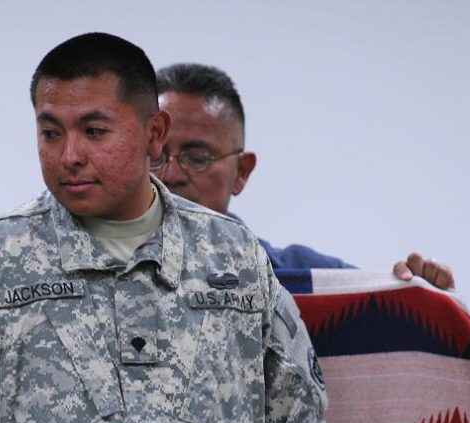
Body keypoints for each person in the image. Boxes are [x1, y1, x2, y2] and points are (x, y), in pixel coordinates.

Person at [0, 33, 334, 423]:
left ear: (154, 133)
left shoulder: (237, 258)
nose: (69, 155)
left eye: (94, 131)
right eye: (50, 133)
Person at [154, 63, 455, 288]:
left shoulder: (307, 284)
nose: (171, 174)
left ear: (241, 172)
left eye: (197, 158)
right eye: (153, 156)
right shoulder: (106, 278)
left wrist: (427, 297)